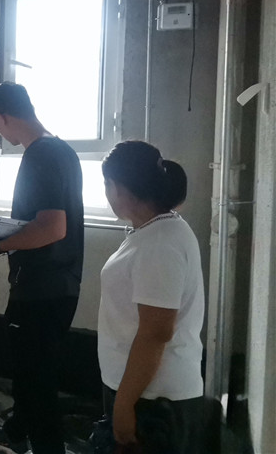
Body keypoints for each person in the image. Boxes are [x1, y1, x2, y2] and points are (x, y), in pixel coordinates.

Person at [0, 82, 84, 454]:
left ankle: (45, 446)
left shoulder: (39, 156)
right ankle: (17, 431)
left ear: (2, 116)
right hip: (61, 285)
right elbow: (43, 221)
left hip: (38, 291)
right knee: (33, 371)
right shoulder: (62, 150)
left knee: (37, 383)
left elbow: (51, 228)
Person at [96, 140, 205, 453]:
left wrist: (124, 405)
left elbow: (156, 332)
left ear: (120, 187)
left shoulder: (160, 244)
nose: (107, 192)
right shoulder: (154, 231)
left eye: (107, 184)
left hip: (153, 399)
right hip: (141, 391)